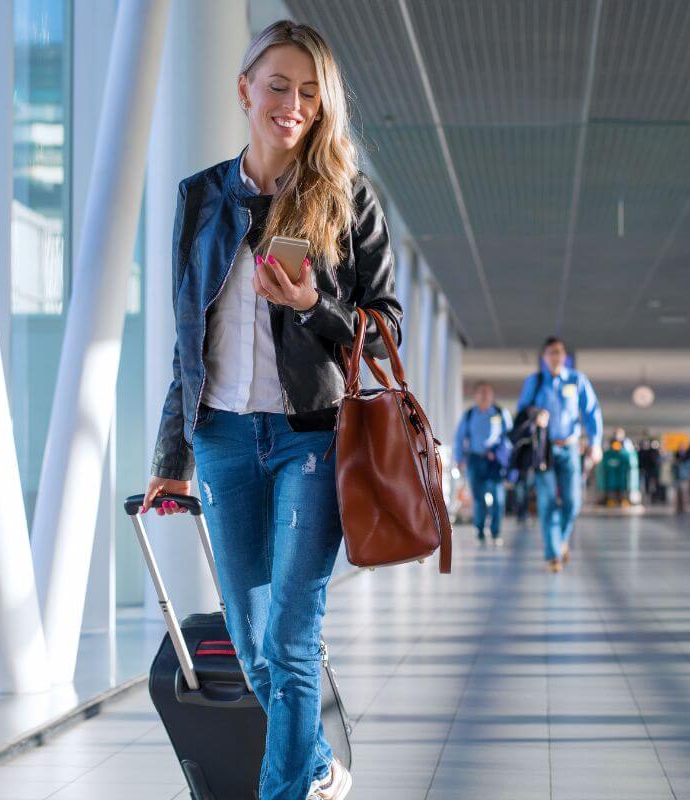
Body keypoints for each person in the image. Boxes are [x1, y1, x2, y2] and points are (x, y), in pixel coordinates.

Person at [137, 21, 401, 800]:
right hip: (220, 439)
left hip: (311, 441)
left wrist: (316, 302)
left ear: (323, 109)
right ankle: (318, 766)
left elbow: (384, 340)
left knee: (290, 642)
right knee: (255, 647)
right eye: (279, 85)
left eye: (310, 93)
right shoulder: (200, 198)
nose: (293, 104)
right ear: (245, 88)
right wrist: (169, 463)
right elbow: (190, 343)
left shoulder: (347, 200)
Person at [517, 336, 603, 573]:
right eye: (551, 353)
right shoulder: (534, 382)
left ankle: (561, 539)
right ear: (544, 357)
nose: (556, 357)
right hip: (543, 449)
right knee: (546, 502)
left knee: (572, 501)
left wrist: (595, 444)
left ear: (564, 356)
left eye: (559, 352)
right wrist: (536, 415)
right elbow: (522, 411)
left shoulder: (577, 380)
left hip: (570, 448)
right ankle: (553, 554)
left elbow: (591, 412)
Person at [454, 381, 513, 546]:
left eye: (487, 392)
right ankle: (479, 531)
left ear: (492, 395)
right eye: (481, 393)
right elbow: (460, 438)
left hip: (495, 462)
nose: (484, 396)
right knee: (478, 498)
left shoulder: (501, 414)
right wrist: (459, 459)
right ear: (475, 396)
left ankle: (495, 532)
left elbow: (509, 439)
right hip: (475, 459)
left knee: (498, 498)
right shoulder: (469, 415)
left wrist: (503, 456)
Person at [507, 406, 551, 526]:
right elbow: (515, 436)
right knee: (523, 488)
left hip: (537, 464)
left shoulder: (543, 430)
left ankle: (528, 512)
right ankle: (522, 513)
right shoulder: (528, 425)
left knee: (532, 489)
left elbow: (544, 447)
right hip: (525, 464)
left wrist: (543, 461)